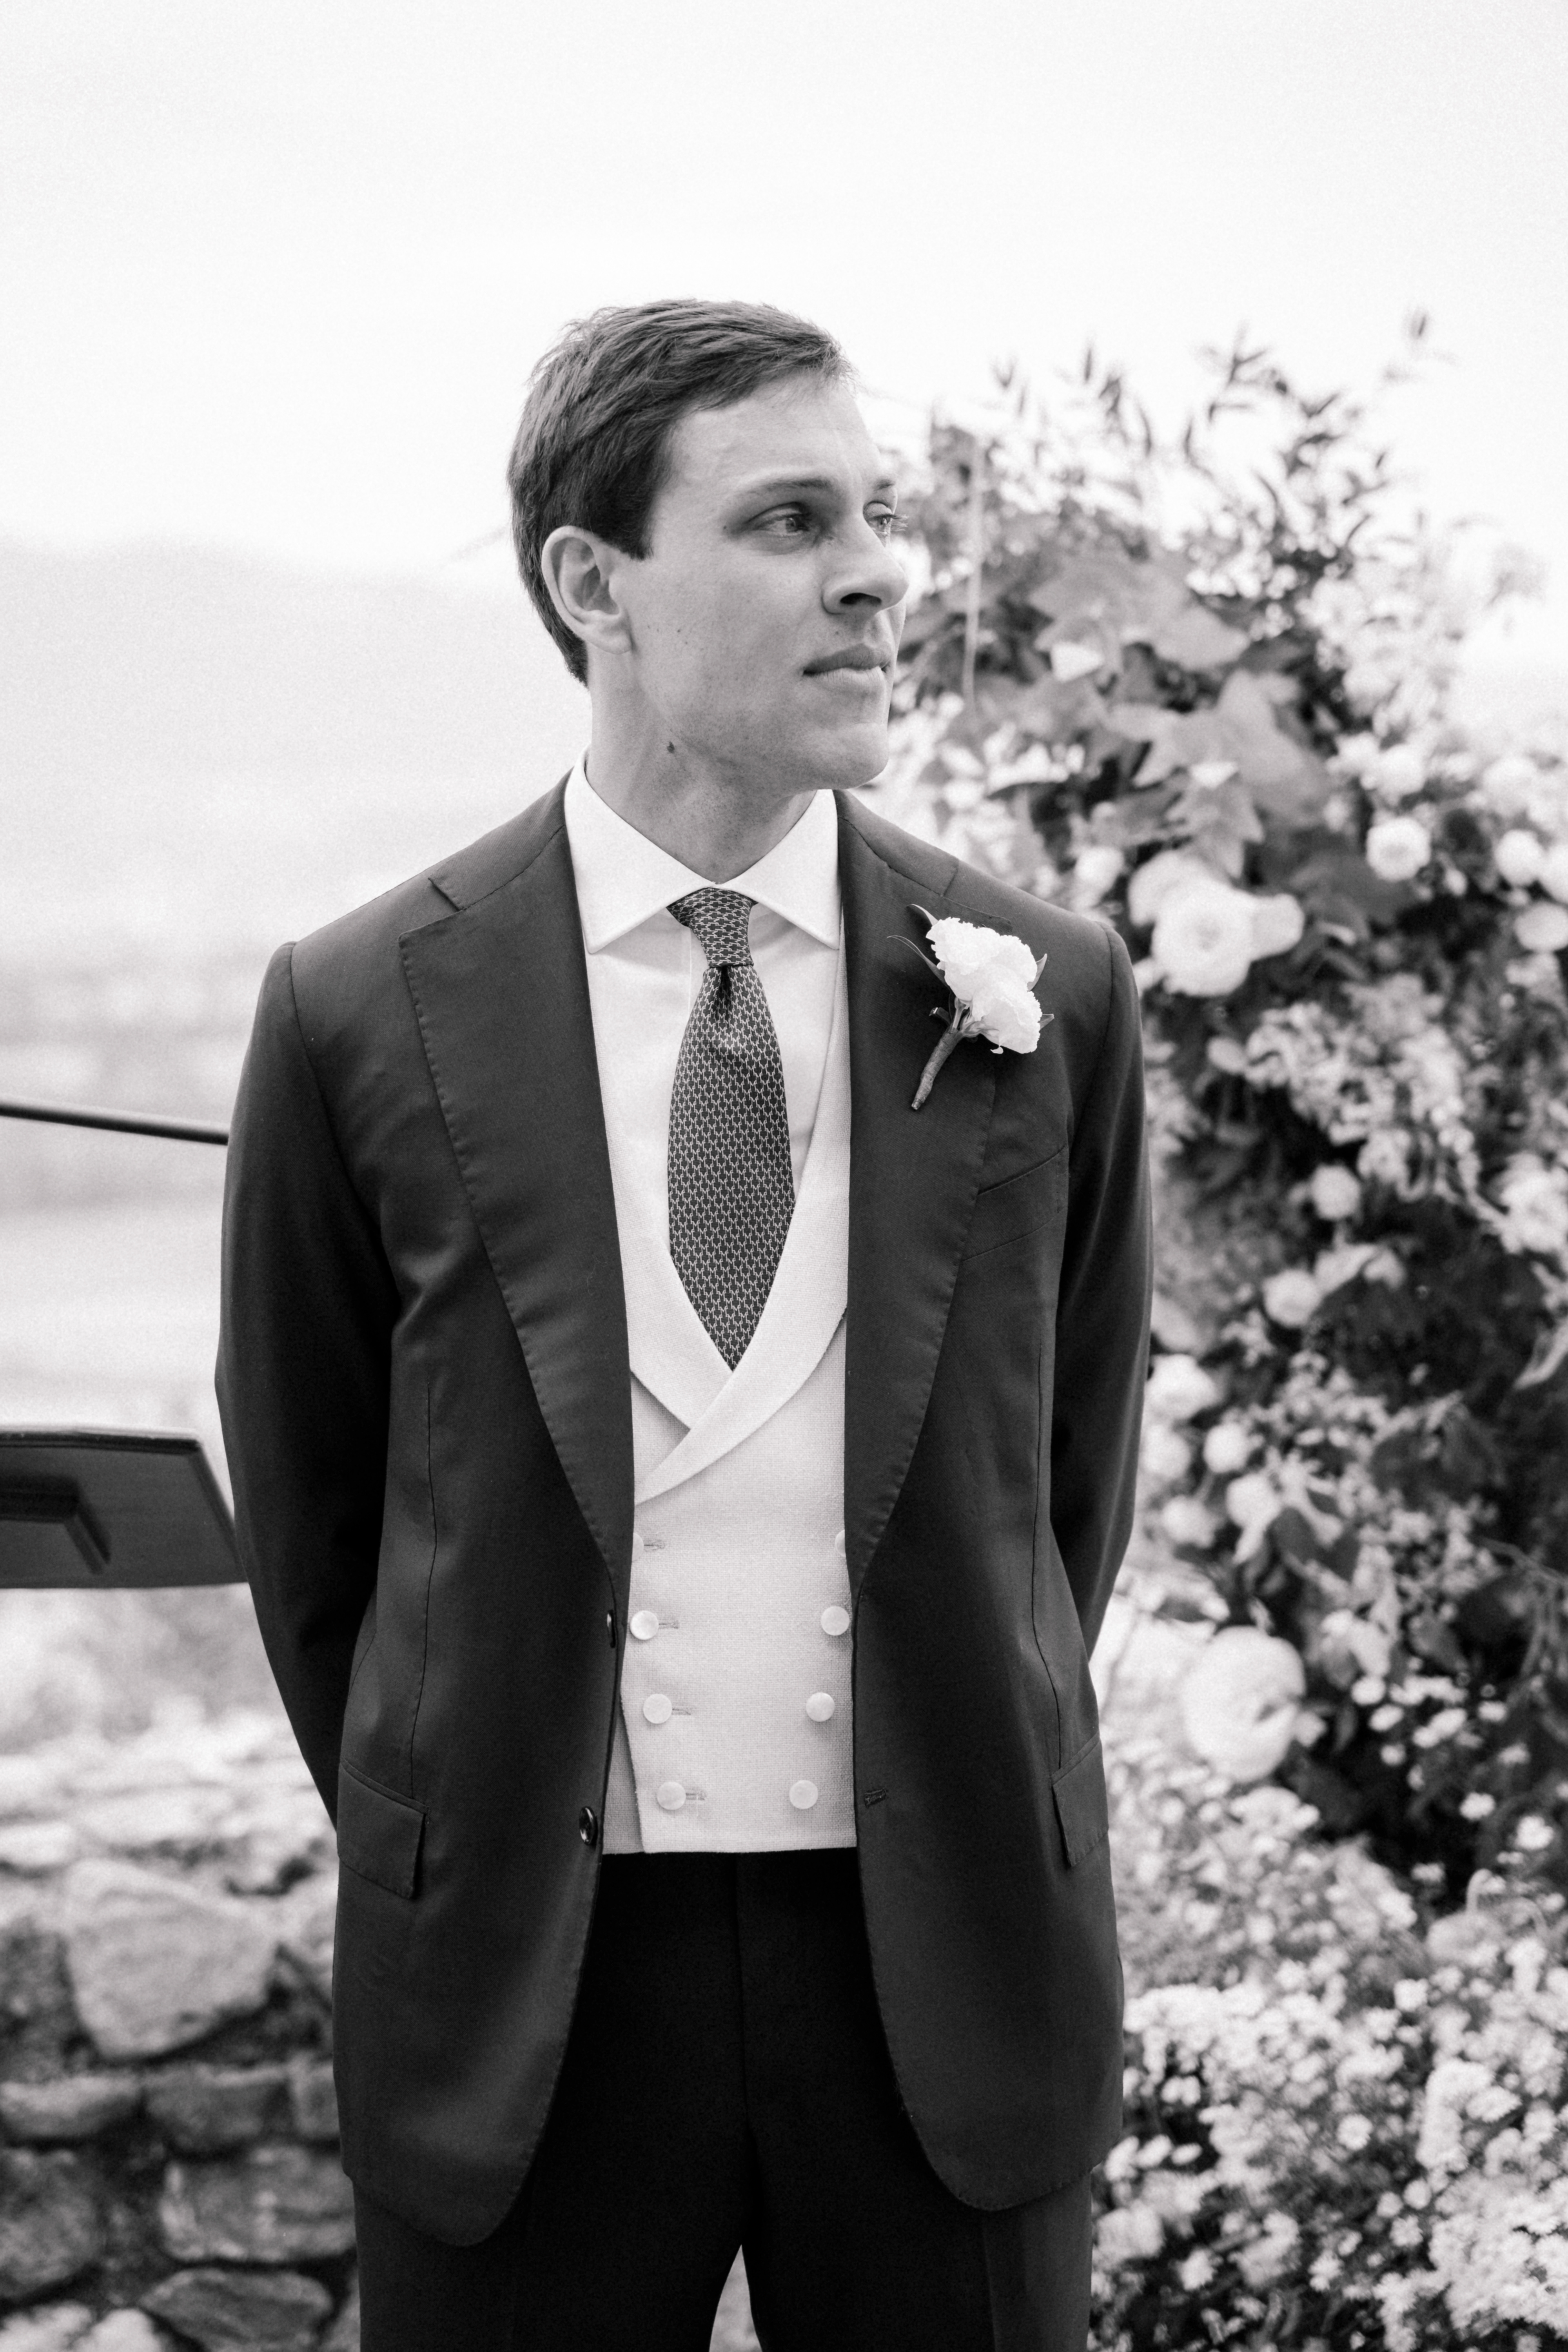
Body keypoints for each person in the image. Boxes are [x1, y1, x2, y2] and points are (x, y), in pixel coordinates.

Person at [217, 298, 1151, 2352]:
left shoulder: (1051, 992)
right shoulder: (357, 1006)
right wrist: (471, 1835)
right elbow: (319, 1538)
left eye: (878, 517)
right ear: (594, 582)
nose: (877, 575)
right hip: (526, 2006)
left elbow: (1066, 1499)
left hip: (947, 1982)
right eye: (791, 521)